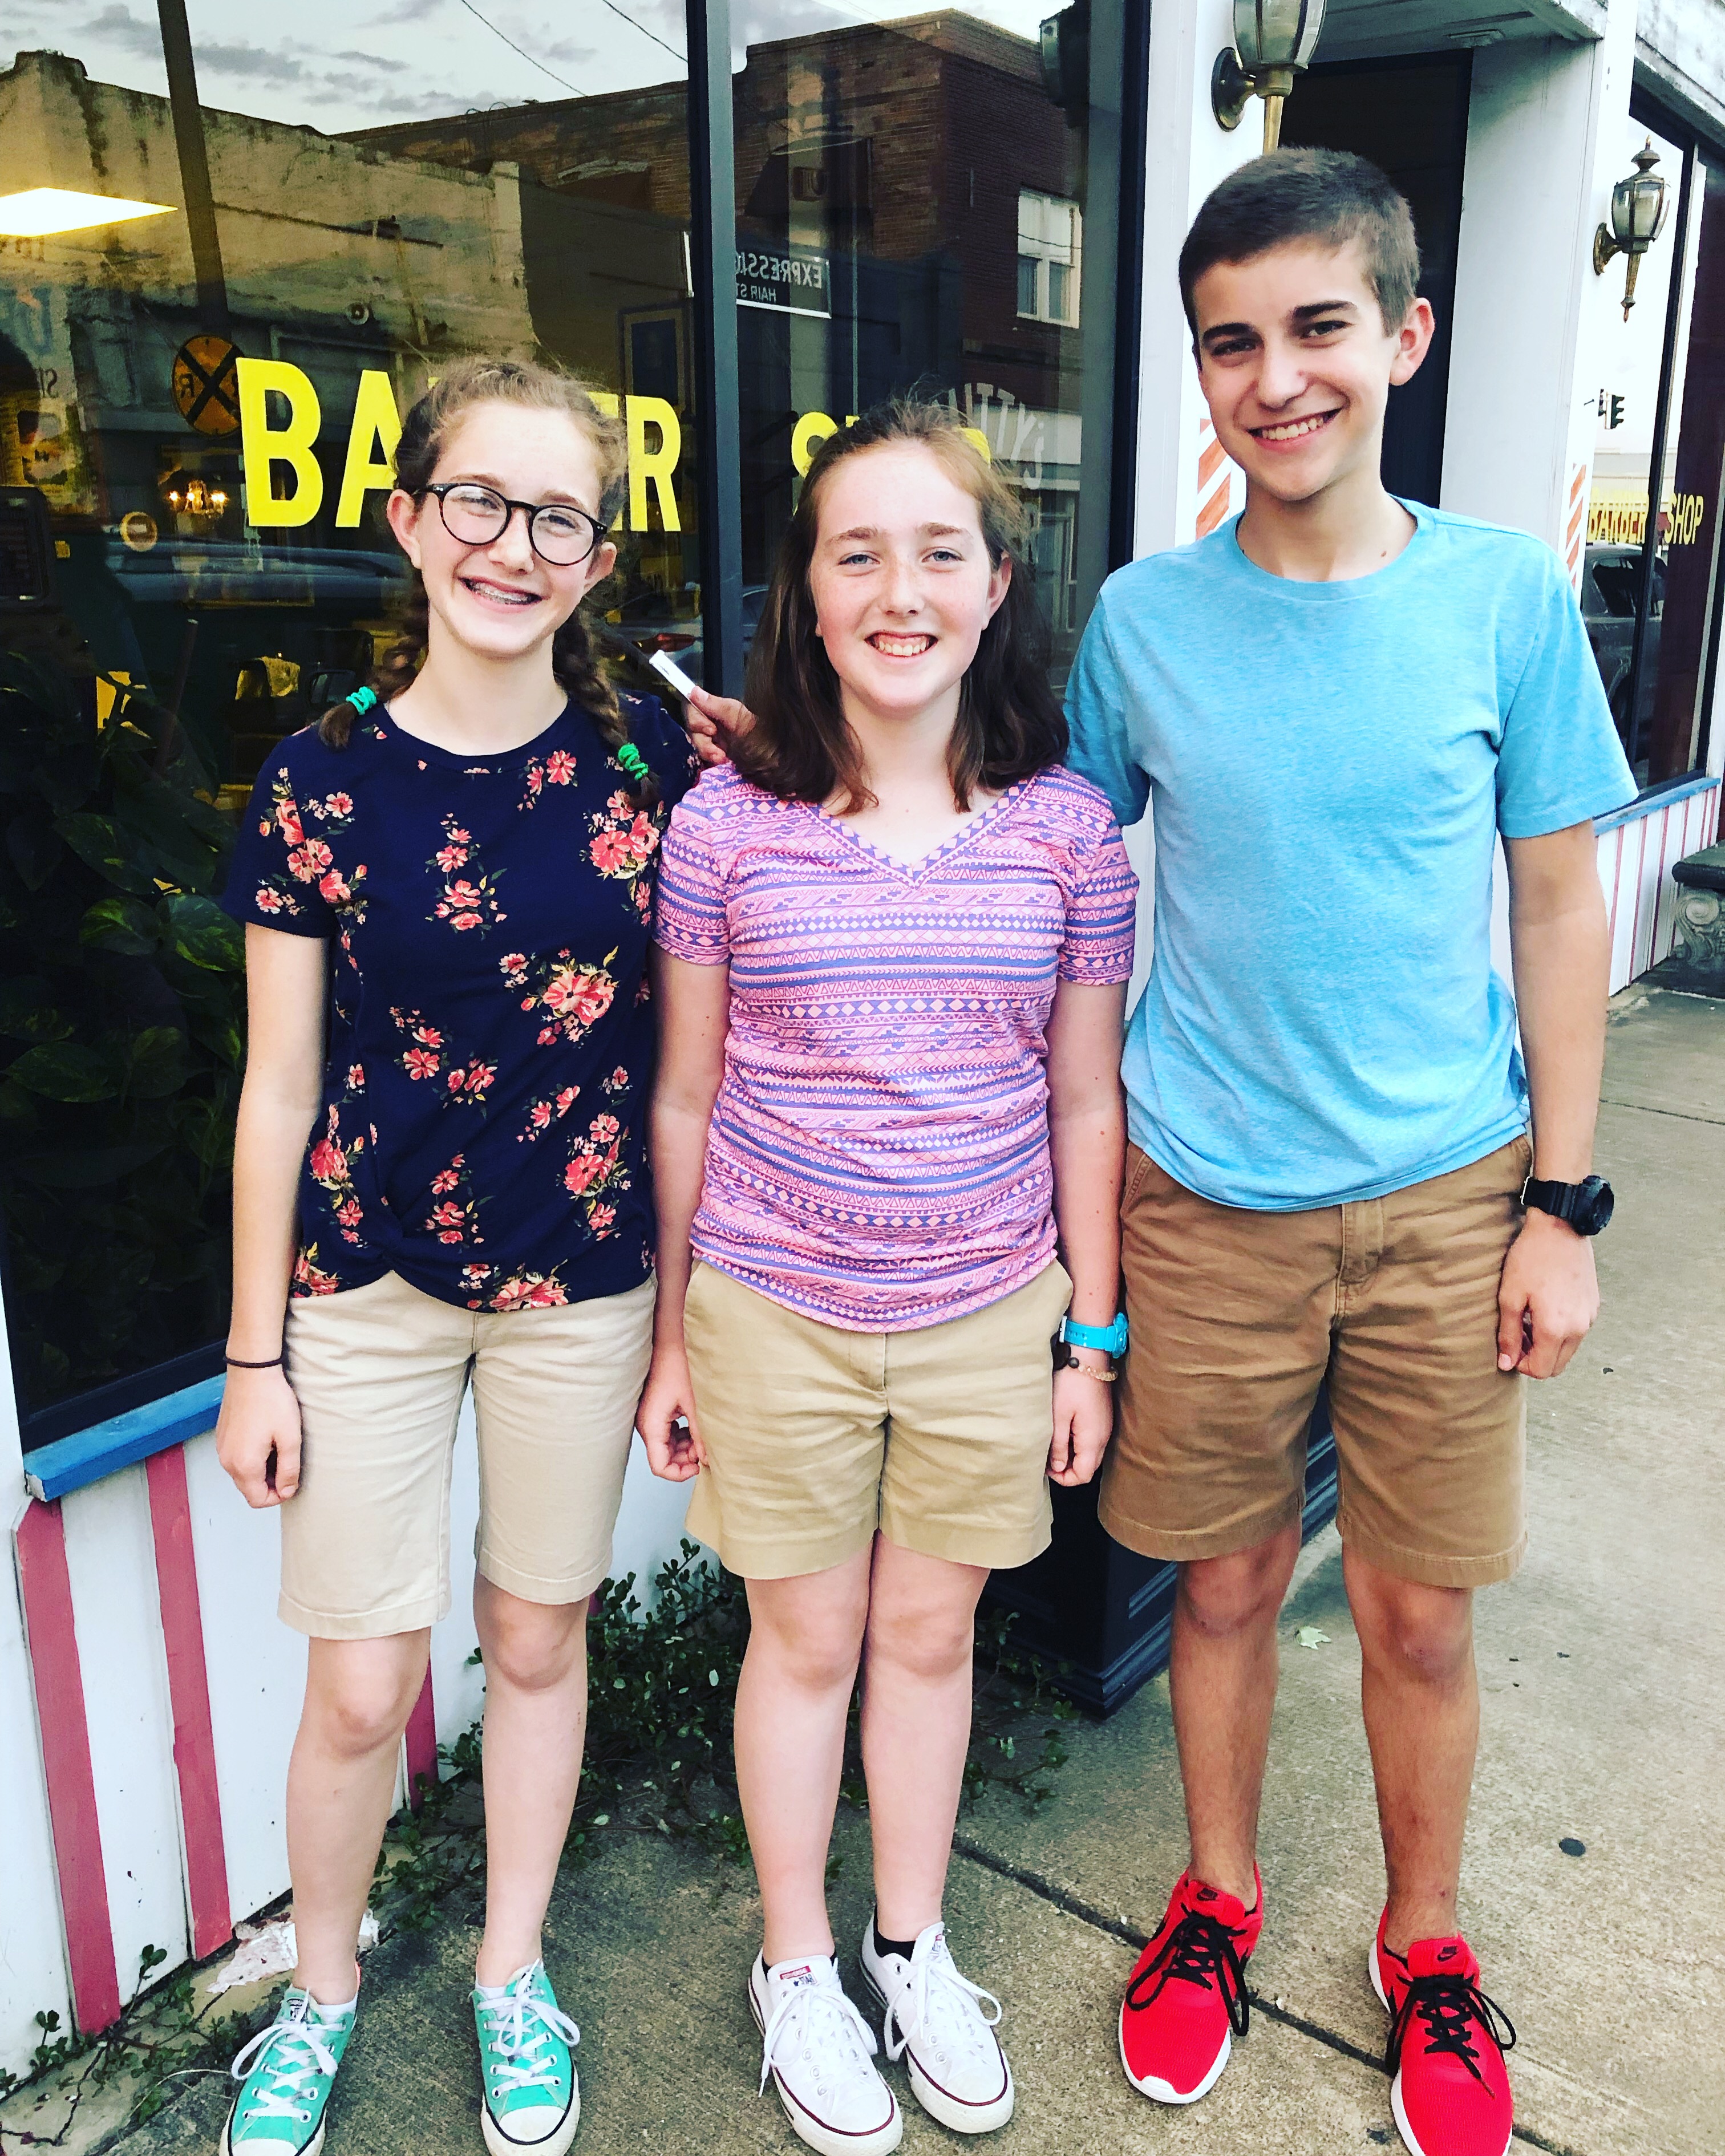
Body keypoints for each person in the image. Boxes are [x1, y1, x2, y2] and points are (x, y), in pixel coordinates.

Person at [1064, 151, 1635, 2156]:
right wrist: (801, 771)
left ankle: (1425, 1940)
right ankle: (1216, 1897)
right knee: (1220, 1587)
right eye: (1232, 342)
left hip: (1448, 1195)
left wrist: (1561, 1208)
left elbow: (1556, 906)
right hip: (1206, 1193)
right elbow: (1044, 866)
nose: (1276, 376)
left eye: (1318, 325)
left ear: (1405, 334)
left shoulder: (1504, 597)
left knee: (1418, 1611)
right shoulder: (1141, 621)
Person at [637, 402, 1136, 2156]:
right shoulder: (727, 826)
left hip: (992, 1311)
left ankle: (908, 1945)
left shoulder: (1070, 832)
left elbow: (1084, 1097)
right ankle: (796, 1962)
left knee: (928, 1637)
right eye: (857, 553)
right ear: (809, 589)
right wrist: (670, 1341)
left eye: (939, 552)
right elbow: (684, 1093)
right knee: (807, 1638)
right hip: (771, 1304)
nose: (899, 591)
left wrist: (1091, 1338)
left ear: (997, 585)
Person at [213, 356, 699, 2156]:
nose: (513, 546)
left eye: (559, 517)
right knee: (363, 1682)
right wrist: (251, 1353)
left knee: (538, 1638)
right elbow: (277, 1087)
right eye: (478, 502)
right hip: (366, 1283)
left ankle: (511, 1969)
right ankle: (321, 1990)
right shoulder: (319, 782)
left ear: (598, 560)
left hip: (585, 1280)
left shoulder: (656, 768)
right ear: (413, 520)